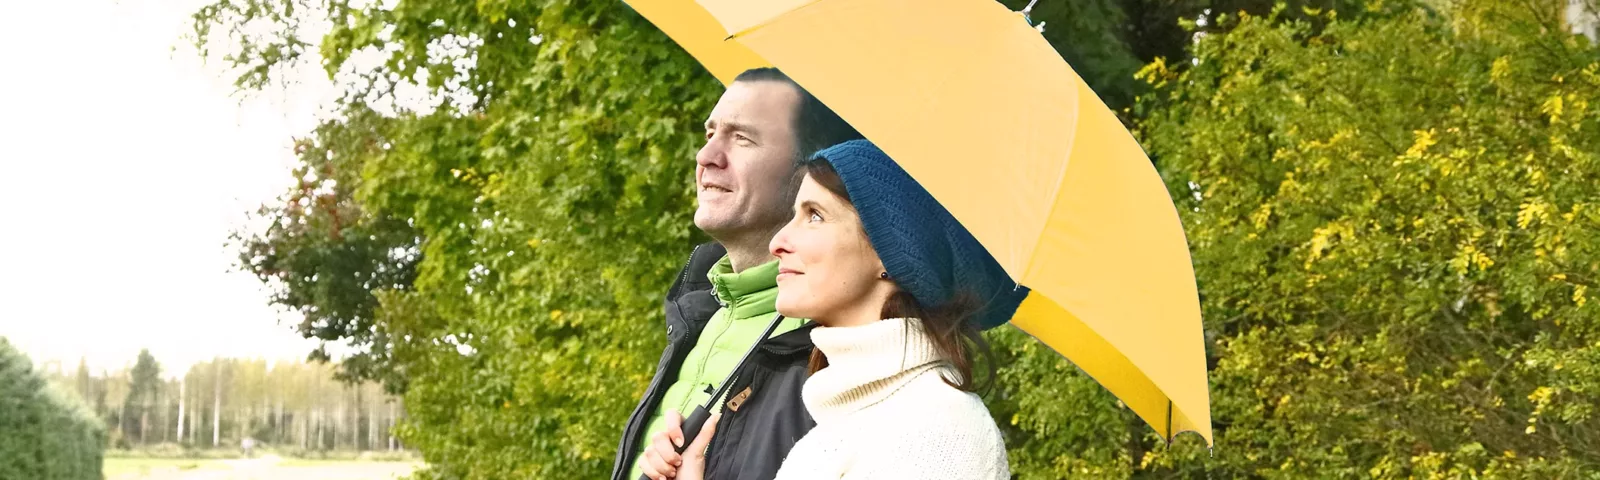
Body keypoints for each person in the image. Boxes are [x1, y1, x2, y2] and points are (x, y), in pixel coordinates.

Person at [663, 140, 1028, 479]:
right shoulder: (836, 428)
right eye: (794, 214)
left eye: (815, 215)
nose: (778, 242)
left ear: (893, 252)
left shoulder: (937, 429)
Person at [611, 67, 864, 480]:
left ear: (809, 170)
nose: (706, 156)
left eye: (742, 138)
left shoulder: (840, 348)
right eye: (710, 133)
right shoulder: (700, 314)